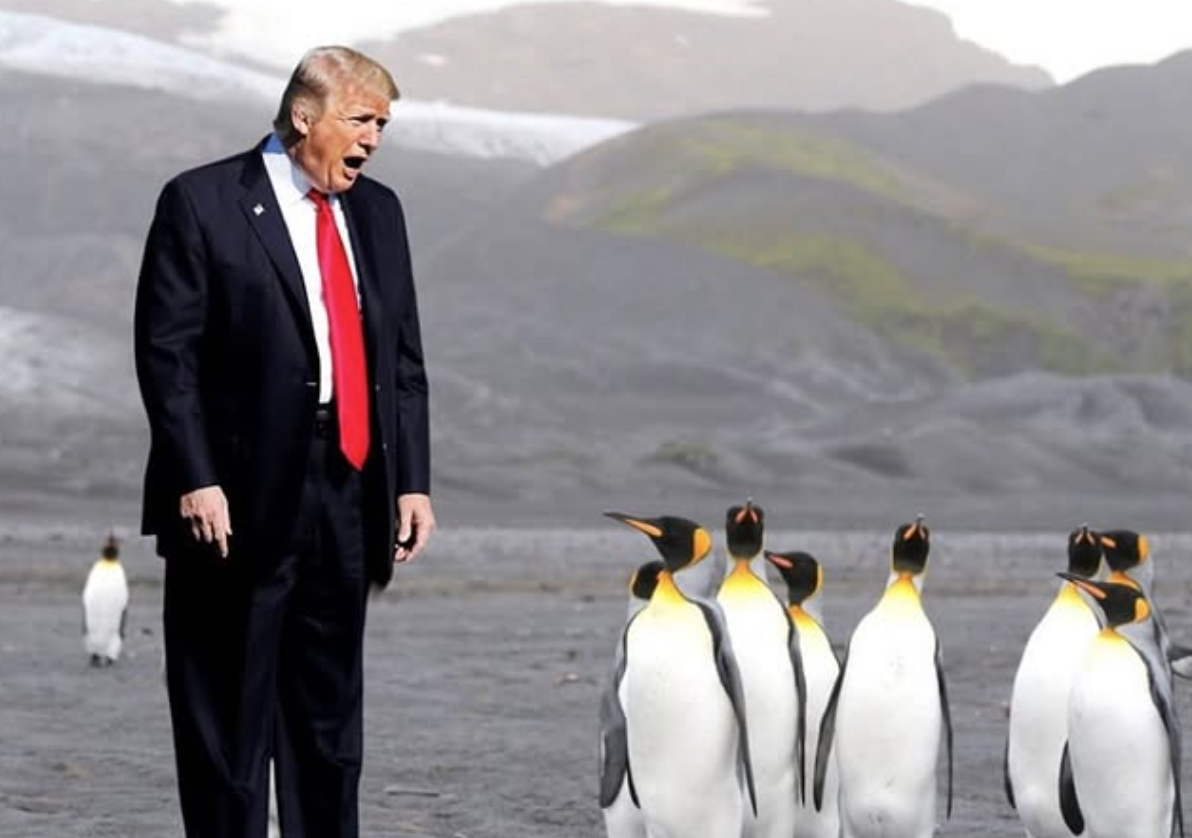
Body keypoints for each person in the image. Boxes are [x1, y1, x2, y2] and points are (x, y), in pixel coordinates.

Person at [133, 45, 436, 838]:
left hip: (350, 488)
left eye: (384, 124)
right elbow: (168, 357)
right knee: (228, 723)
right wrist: (195, 478)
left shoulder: (380, 211)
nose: (374, 139)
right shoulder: (202, 202)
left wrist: (411, 481)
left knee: (329, 726)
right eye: (361, 120)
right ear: (305, 117)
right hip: (232, 499)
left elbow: (401, 359)